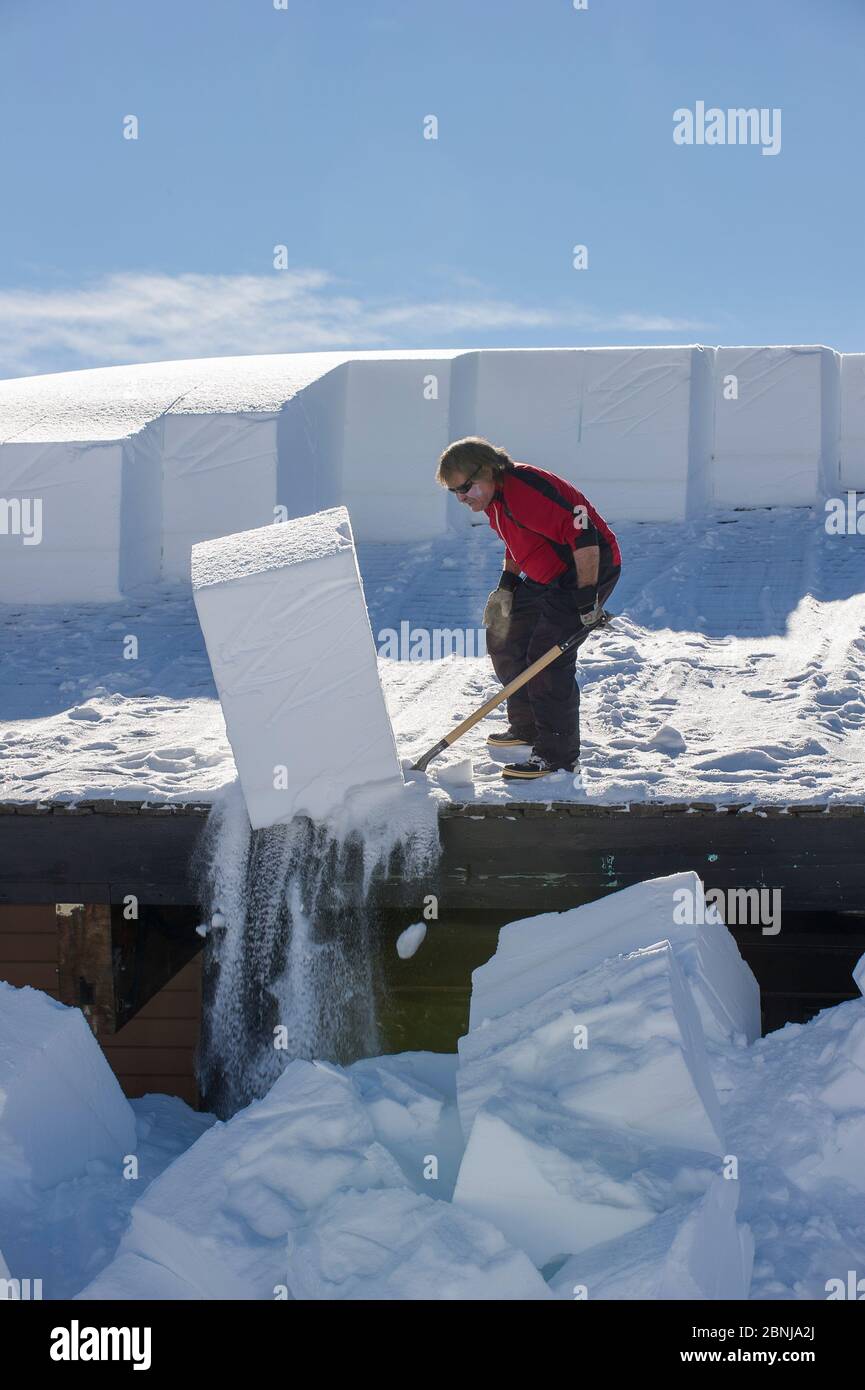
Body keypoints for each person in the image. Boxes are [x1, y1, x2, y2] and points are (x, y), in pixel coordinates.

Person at [436, 436, 621, 779]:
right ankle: (528, 726)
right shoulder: (494, 498)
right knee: (505, 634)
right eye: (454, 492)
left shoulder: (525, 490)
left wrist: (586, 596)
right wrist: (507, 585)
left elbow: (585, 536)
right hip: (546, 574)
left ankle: (556, 757)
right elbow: (518, 541)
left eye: (464, 487)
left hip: (582, 571)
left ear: (488, 470)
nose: (461, 498)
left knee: (546, 657)